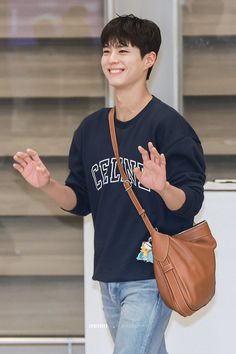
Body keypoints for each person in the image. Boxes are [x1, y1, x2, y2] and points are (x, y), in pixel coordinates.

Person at [13, 14, 206, 354]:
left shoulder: (170, 127)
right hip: (109, 276)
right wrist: (45, 184)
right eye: (106, 51)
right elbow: (80, 200)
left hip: (151, 276)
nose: (112, 59)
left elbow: (189, 202)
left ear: (149, 59)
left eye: (122, 51)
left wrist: (162, 186)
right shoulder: (91, 129)